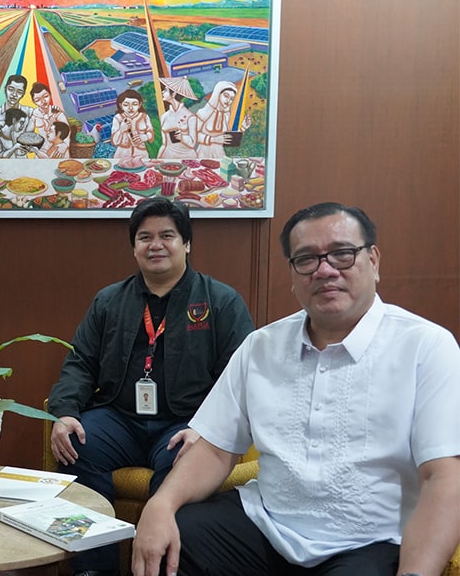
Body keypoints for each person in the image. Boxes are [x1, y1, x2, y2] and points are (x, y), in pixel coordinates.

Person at [132, 202, 460, 576]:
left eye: (342, 254)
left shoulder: (426, 346)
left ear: (374, 260)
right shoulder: (261, 346)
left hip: (369, 541)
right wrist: (160, 505)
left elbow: (444, 477)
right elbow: (215, 448)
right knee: (176, 540)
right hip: (266, 525)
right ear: (292, 274)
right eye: (306, 259)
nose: (324, 270)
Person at [48, 197, 254, 576]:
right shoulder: (110, 301)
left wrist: (207, 431)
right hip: (120, 419)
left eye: (167, 235)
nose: (155, 244)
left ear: (187, 243)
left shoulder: (220, 301)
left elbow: (242, 378)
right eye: (145, 237)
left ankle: (159, 569)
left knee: (181, 462)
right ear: (134, 247)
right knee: (78, 445)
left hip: (186, 424)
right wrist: (64, 412)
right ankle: (93, 567)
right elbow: (80, 362)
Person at [195, 80, 251, 162]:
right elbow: (193, 135)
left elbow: (229, 139)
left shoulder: (226, 115)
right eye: (226, 96)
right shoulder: (203, 112)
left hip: (220, 154)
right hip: (204, 153)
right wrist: (213, 139)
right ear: (218, 94)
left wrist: (242, 128)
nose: (228, 101)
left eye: (232, 99)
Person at [0, 74, 34, 156]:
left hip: (24, 161)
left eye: (19, 92)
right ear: (5, 89)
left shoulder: (29, 112)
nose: (14, 94)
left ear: (23, 94)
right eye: (11, 89)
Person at [156, 77, 199, 160]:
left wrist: (182, 137)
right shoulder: (164, 117)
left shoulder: (191, 117)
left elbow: (192, 143)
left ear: (173, 94)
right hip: (168, 156)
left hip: (187, 158)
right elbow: (164, 144)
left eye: (165, 90)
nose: (162, 92)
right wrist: (157, 160)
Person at [111, 88, 154, 162]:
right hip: (122, 154)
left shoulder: (144, 116)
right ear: (121, 106)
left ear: (140, 105)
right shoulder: (118, 118)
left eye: (134, 104)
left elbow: (151, 134)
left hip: (141, 154)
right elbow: (115, 142)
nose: (130, 108)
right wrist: (121, 130)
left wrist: (145, 137)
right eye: (126, 105)